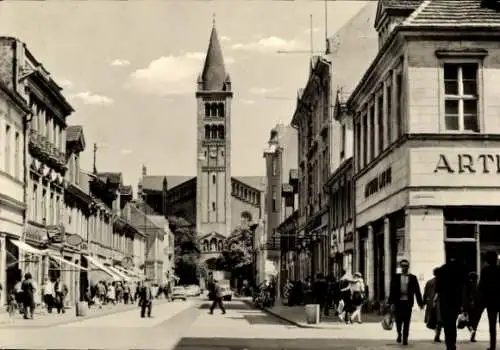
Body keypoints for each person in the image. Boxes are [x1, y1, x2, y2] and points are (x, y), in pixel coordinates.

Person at [435, 246, 467, 350]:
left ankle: (449, 344)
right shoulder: (461, 269)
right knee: (452, 323)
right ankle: (452, 343)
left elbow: (438, 288)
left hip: (445, 301)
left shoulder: (442, 269)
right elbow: (464, 286)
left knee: (446, 323)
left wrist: (436, 300)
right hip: (456, 301)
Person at [389, 259, 424, 346]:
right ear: (401, 267)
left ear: (408, 267)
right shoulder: (396, 277)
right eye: (403, 266)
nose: (404, 268)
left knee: (407, 321)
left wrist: (420, 303)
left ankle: (405, 338)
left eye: (406, 266)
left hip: (408, 303)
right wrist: (391, 303)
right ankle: (399, 334)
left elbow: (417, 291)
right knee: (398, 321)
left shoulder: (413, 278)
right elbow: (392, 291)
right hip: (398, 303)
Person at [475, 250, 500, 350]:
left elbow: (481, 288)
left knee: (492, 325)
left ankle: (493, 346)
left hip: (491, 302)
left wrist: (480, 302)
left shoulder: (485, 271)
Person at [423, 268, 441, 342]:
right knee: (439, 320)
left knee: (432, 320)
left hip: (431, 303)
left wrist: (423, 302)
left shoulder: (429, 282)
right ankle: (438, 334)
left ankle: (436, 332)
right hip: (440, 304)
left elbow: (426, 293)